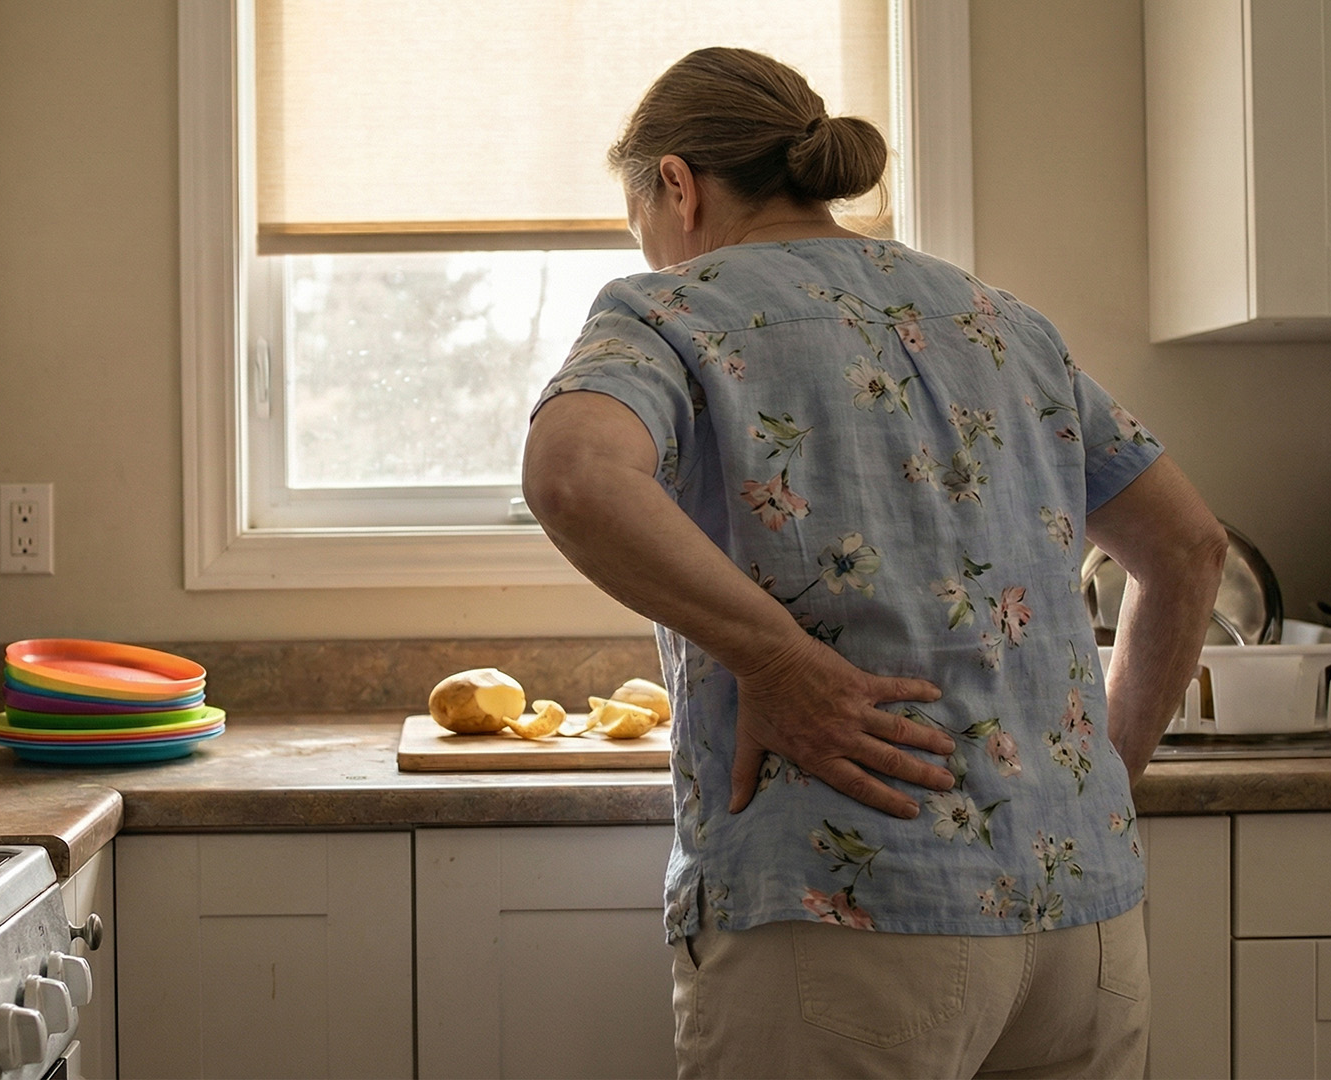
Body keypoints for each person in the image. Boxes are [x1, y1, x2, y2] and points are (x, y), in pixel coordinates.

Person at [522, 47, 1227, 1080]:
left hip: (849, 921)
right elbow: (1188, 546)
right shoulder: (1001, 321)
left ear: (677, 183)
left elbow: (578, 473)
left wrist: (779, 663)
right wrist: (1104, 784)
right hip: (1085, 931)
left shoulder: (671, 308)